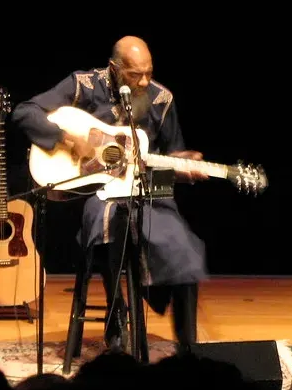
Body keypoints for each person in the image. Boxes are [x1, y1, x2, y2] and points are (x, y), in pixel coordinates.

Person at [11, 35, 208, 353]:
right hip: (98, 193)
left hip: (148, 197)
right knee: (110, 225)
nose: (144, 80)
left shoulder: (162, 99)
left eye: (148, 71)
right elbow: (25, 112)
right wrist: (69, 138)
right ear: (115, 68)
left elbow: (173, 156)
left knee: (187, 251)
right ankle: (117, 311)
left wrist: (186, 168)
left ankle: (188, 349)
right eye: (134, 74)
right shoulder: (84, 85)